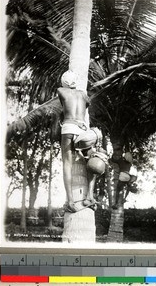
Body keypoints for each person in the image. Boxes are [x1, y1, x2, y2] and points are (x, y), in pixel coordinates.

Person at [58, 70, 106, 212]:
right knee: (92, 160)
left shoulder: (61, 90)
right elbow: (86, 105)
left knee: (67, 164)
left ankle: (70, 201)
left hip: (68, 128)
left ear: (64, 83)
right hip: (82, 131)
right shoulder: (84, 95)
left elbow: (63, 105)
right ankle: (89, 197)